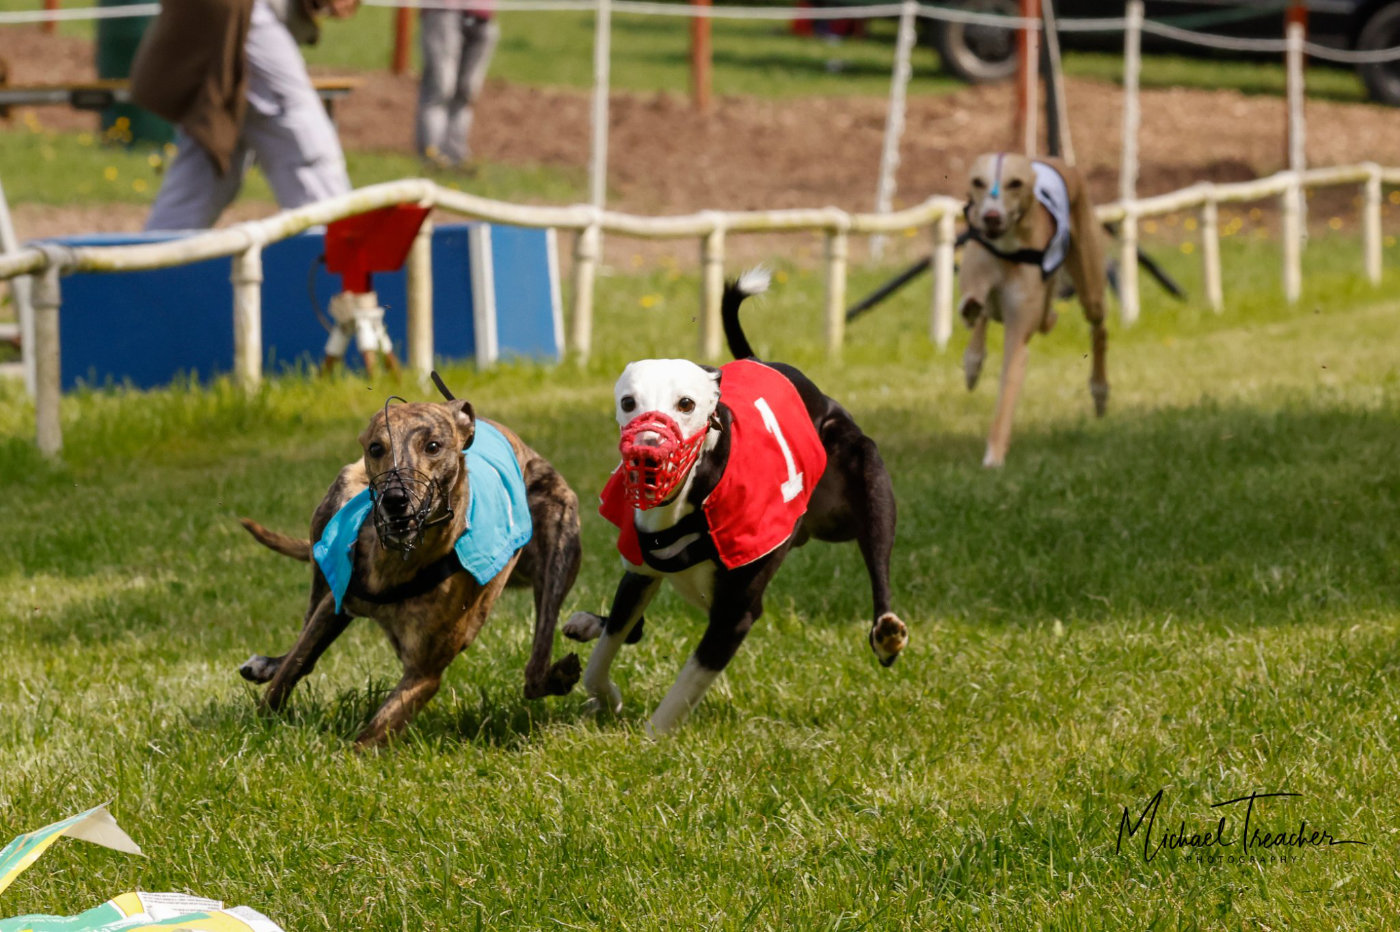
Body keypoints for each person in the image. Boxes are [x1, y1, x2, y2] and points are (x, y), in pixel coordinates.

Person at [130, 0, 358, 231]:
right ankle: (333, 252)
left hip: (240, 12)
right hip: (242, 10)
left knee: (211, 145)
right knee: (301, 140)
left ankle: (157, 256)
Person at [416, 0, 498, 170]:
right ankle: (431, 154)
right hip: (443, 9)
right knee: (441, 87)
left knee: (468, 90)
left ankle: (456, 155)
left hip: (482, 15)